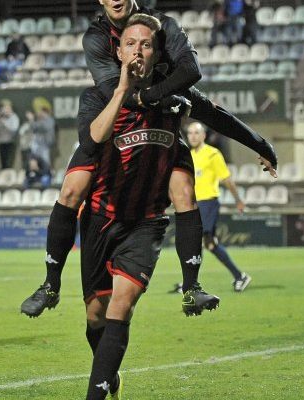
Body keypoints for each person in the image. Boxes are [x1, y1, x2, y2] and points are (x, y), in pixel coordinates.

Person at [20, 0, 277, 318]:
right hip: (115, 117)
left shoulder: (164, 25)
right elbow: (119, 91)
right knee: (72, 188)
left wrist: (260, 144)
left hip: (158, 121)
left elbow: (192, 73)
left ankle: (191, 288)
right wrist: (163, 96)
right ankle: (50, 284)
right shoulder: (96, 37)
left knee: (183, 190)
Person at [76, 15, 199, 398]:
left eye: (146, 44)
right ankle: (108, 371)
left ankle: (95, 393)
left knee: (122, 304)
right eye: (130, 44)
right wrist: (124, 91)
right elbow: (91, 142)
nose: (137, 50)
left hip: (146, 222)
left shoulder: (174, 102)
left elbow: (218, 115)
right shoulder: (97, 96)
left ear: (155, 51)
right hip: (100, 218)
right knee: (96, 314)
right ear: (118, 50)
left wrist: (260, 146)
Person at [173, 121, 252, 293]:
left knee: (197, 241)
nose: (192, 136)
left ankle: (190, 282)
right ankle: (239, 276)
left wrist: (238, 200)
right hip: (194, 204)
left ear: (204, 136)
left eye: (196, 133)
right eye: (190, 133)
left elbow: (227, 179)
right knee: (210, 244)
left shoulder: (213, 154)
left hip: (208, 202)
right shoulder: (189, 155)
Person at [0, 100, 19, 169]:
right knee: (3, 160)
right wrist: (0, 121)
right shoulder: (2, 118)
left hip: (10, 142)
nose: (5, 111)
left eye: (6, 109)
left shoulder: (14, 117)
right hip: (2, 141)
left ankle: (9, 173)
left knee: (9, 160)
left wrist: (5, 123)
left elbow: (14, 129)